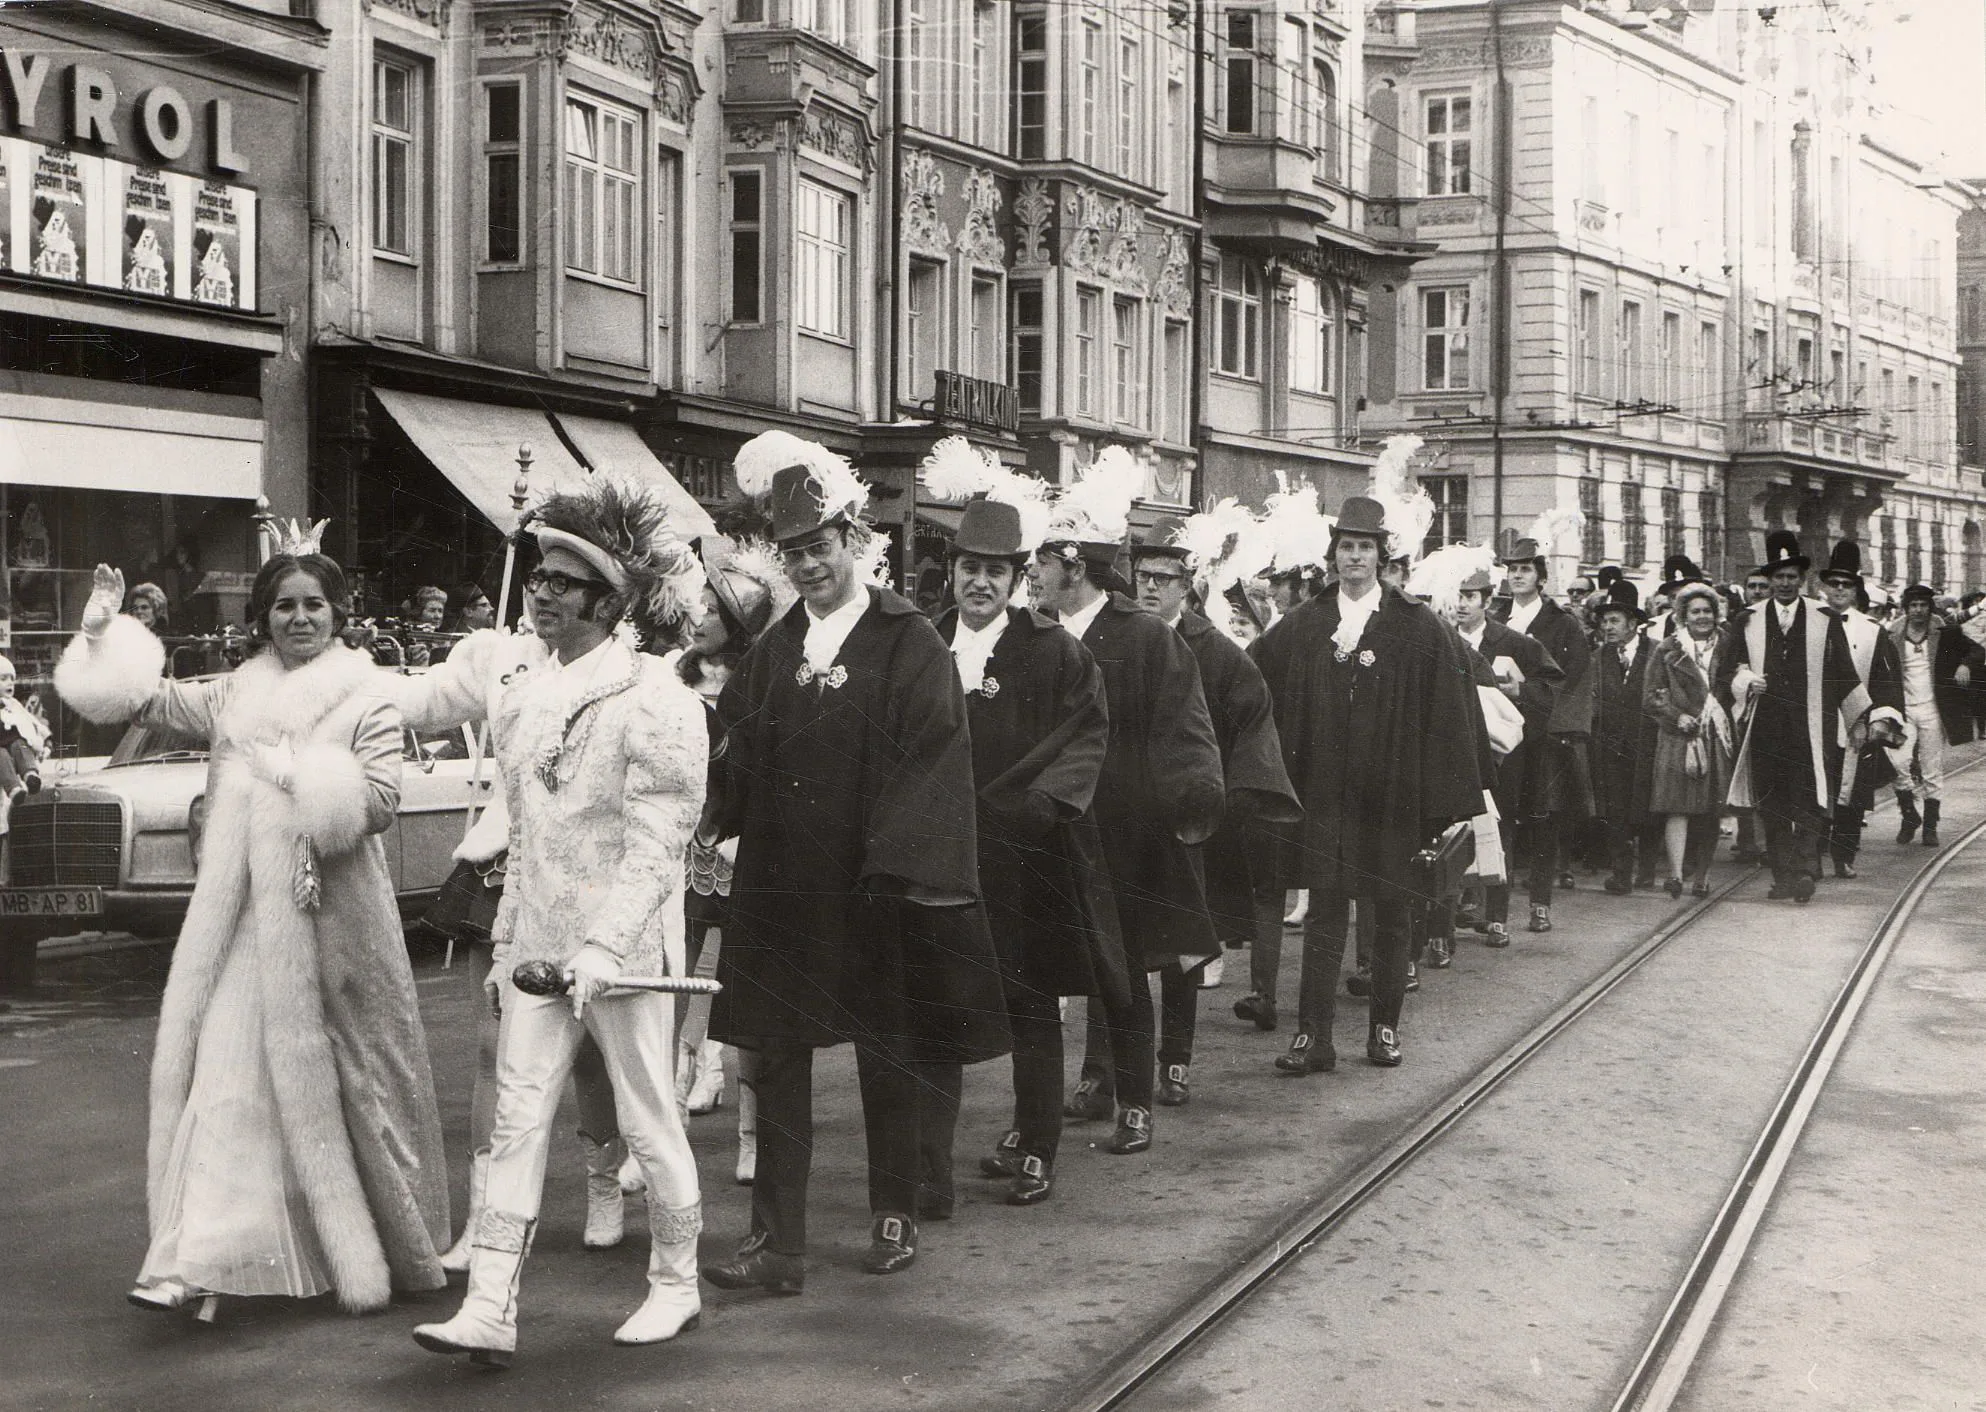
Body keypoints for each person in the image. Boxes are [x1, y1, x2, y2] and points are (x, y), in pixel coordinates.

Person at [54, 543, 448, 1318]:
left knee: (356, 1084)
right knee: (230, 1081)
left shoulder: (367, 695)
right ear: (263, 619)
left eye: (313, 605)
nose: (299, 618)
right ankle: (194, 1258)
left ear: (339, 615)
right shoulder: (236, 691)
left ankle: (360, 1246)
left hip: (337, 923)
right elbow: (151, 704)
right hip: (243, 921)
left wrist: (295, 775)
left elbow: (377, 803)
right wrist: (101, 637)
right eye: (284, 606)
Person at [405, 477, 711, 1363]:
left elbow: (659, 845)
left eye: (564, 582)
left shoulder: (657, 696)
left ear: (609, 602)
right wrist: (508, 947)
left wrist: (603, 947)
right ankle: (491, 1304)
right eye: (538, 576)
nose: (541, 592)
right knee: (517, 1119)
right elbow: (529, 836)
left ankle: (676, 1283)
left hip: (622, 956)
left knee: (649, 1118)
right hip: (536, 946)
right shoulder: (519, 691)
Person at [702, 434, 1010, 1291]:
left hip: (874, 887)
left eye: (820, 549)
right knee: (776, 1055)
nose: (808, 568)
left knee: (889, 1051)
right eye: (794, 554)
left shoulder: (907, 640)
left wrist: (896, 866)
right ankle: (778, 1245)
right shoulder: (772, 649)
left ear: (852, 541)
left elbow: (935, 758)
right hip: (785, 885)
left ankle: (893, 1213)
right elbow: (735, 747)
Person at [1026, 452, 1225, 1152]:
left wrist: (1193, 796)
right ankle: (1039, 1119)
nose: (1032, 571)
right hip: (1047, 831)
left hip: (1123, 832)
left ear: (1076, 565)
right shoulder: (1033, 635)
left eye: (1043, 558)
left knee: (1125, 971)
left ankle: (1135, 1103)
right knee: (1045, 973)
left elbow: (1185, 724)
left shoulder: (1142, 635)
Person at [930, 485, 1120, 1207]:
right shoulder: (923, 645)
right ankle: (927, 1163)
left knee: (1030, 1003)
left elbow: (1084, 735)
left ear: (1017, 580)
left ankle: (1037, 1144)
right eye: (968, 568)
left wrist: (1037, 802)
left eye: (996, 571)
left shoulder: (1051, 653)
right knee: (938, 1004)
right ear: (951, 571)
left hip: (1024, 856)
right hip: (941, 856)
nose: (980, 583)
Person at [1252, 495, 1482, 1072]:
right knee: (1326, 911)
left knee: (1390, 911)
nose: (1355, 557)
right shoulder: (1304, 624)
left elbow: (1449, 709)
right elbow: (1255, 682)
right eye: (1346, 547)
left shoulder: (1416, 623)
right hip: (1325, 792)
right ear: (1333, 554)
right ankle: (1314, 1037)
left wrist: (1438, 800)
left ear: (1382, 556)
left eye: (1365, 547)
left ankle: (1383, 1029)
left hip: (1392, 795)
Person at [1129, 515, 1299, 1101]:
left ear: (1188, 584)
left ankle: (1174, 1061)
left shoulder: (1218, 654)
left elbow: (1254, 722)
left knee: (1180, 953)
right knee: (1117, 948)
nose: (1149, 587)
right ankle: (1104, 1073)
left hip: (1188, 827)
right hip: (1125, 818)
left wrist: (1224, 800)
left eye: (1163, 578)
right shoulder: (1114, 636)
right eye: (1142, 574)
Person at [1714, 531, 1867, 904]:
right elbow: (1727, 671)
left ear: (1802, 579)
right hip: (1765, 727)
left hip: (1811, 725)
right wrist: (1746, 680)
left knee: (1811, 799)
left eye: (1791, 576)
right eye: (1778, 577)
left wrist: (1859, 719)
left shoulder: (1823, 617)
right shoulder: (1747, 620)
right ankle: (1784, 875)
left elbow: (1844, 671)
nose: (1784, 583)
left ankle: (1804, 867)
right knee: (1773, 802)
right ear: (1769, 580)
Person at [1447, 562, 1561, 948]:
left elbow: (1550, 689)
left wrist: (1519, 692)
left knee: (1501, 830)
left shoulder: (1515, 643)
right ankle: (1447, 921)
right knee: (1453, 831)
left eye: (1469, 597)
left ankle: (1496, 917)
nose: (1460, 604)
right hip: (1455, 752)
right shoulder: (1439, 637)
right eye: (1456, 596)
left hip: (1502, 756)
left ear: (1488, 601)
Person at [1492, 528, 1593, 932]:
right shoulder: (1498, 618)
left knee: (1542, 818)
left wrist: (1545, 709)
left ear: (1540, 576)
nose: (1517, 577)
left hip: (1545, 734)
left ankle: (1539, 901)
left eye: (1525, 570)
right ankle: (1493, 908)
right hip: (1502, 731)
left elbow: (1574, 678)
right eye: (1512, 570)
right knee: (1502, 816)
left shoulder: (1562, 624)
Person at [1816, 542, 1903, 878]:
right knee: (1818, 787)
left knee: (1851, 793)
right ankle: (1814, 852)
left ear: (1855, 590)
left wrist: (1880, 718)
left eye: (1846, 584)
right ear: (1824, 587)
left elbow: (1886, 680)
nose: (1839, 589)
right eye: (1834, 583)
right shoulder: (1809, 622)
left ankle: (1844, 855)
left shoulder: (1871, 631)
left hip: (1857, 722)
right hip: (1816, 719)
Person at [1643, 583, 1736, 897]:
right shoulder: (1667, 648)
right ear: (1682, 615)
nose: (1702, 617)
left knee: (1710, 809)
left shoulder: (1728, 646)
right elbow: (1651, 696)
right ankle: (1675, 875)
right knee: (1677, 807)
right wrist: (1675, 716)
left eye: (1707, 611)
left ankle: (1703, 876)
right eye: (1695, 611)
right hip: (1677, 737)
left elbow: (1737, 686)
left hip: (1714, 735)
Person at [1888, 584, 1984, 847]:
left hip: (1933, 708)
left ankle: (1930, 825)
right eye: (1913, 606)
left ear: (1930, 607)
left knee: (1931, 767)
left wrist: (1964, 665)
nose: (1918, 610)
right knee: (1897, 763)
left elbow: (1977, 650)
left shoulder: (1945, 632)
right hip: (1903, 709)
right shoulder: (1893, 633)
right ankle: (1909, 815)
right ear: (1906, 608)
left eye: (1923, 605)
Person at [1589, 582, 1660, 895]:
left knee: (1649, 807)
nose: (1607, 627)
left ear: (1633, 623)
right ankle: (1621, 873)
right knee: (1616, 809)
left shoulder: (1657, 653)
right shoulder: (1598, 657)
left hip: (1650, 743)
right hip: (1610, 745)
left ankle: (1646, 869)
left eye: (1614, 620)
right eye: (1604, 621)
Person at [0, 653, 48, 805]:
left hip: (13, 742)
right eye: (3, 679)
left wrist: (43, 736)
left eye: (12, 679)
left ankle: (30, 775)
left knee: (20, 745)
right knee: (1, 756)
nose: (9, 684)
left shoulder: (13, 704)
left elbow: (29, 720)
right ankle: (14, 789)